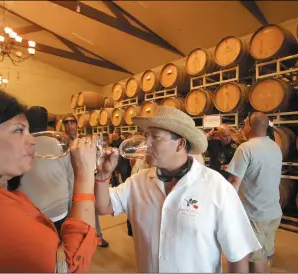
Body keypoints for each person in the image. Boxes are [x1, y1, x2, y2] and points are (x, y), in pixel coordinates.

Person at [0, 88, 98, 272]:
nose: (32, 140)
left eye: (28, 131)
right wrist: (86, 174)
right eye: (18, 130)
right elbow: (72, 267)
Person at [94, 106, 261, 273]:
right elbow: (103, 206)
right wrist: (102, 175)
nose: (146, 144)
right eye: (146, 137)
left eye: (155, 137)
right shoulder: (138, 182)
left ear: (180, 144)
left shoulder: (215, 186)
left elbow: (238, 254)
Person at [226, 112, 283, 273]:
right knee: (263, 253)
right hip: (272, 213)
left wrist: (226, 211)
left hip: (253, 214)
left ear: (249, 126)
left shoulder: (245, 149)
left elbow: (234, 183)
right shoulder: (275, 146)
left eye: (244, 124)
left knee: (253, 258)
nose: (242, 127)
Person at [20, 106, 74, 236]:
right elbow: (70, 177)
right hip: (59, 209)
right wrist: (71, 204)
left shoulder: (20, 145)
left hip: (30, 211)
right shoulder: (58, 143)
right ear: (46, 123)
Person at [62, 114, 109, 248]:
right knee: (72, 214)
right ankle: (76, 240)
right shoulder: (61, 144)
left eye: (72, 122)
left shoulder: (83, 142)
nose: (69, 125)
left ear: (77, 125)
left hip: (85, 181)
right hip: (68, 184)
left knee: (91, 208)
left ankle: (97, 236)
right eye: (67, 122)